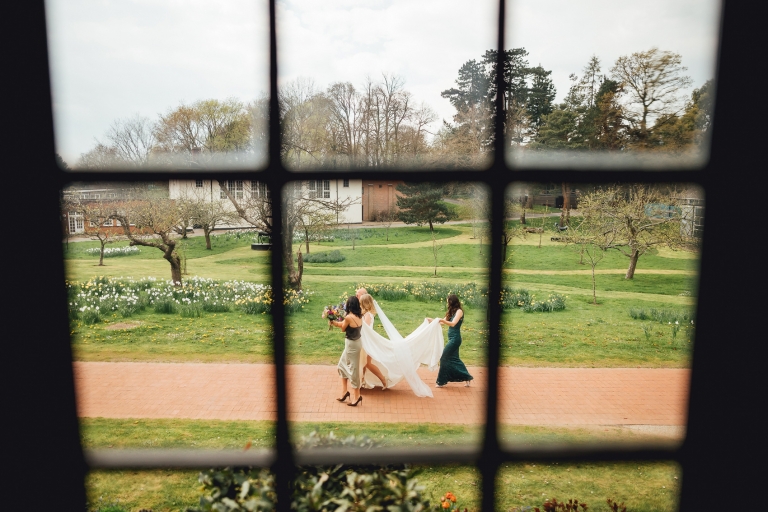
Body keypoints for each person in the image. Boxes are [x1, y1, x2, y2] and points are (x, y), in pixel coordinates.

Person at [428, 294, 473, 388]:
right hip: (451, 338)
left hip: (455, 339)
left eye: (448, 301)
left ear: (452, 301)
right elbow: (441, 323)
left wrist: (442, 320)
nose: (447, 303)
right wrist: (431, 321)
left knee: (444, 357)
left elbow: (453, 324)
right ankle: (467, 377)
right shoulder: (451, 312)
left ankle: (441, 381)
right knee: (455, 359)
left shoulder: (459, 311)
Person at [329, 296, 364, 406]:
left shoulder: (349, 317)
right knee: (341, 366)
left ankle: (357, 396)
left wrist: (334, 322)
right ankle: (345, 392)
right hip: (356, 343)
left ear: (349, 305)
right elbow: (344, 325)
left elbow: (343, 328)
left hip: (351, 346)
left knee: (353, 370)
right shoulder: (360, 314)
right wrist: (334, 322)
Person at [358, 293, 389, 390]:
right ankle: (361, 381)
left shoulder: (368, 315)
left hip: (367, 342)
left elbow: (365, 328)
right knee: (363, 362)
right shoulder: (366, 314)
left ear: (364, 304)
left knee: (368, 363)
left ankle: (383, 379)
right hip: (364, 341)